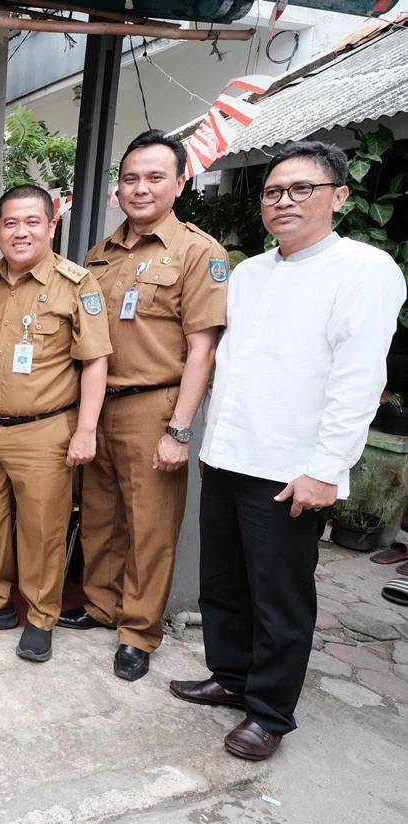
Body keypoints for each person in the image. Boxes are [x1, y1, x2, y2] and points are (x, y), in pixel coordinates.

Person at [171, 141, 405, 761]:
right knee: (223, 582)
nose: (284, 201)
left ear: (339, 198)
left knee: (280, 597)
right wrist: (207, 442)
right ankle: (230, 676)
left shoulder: (365, 270)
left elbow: (358, 381)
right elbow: (234, 366)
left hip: (290, 471)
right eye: (274, 191)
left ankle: (270, 713)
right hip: (228, 456)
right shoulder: (250, 274)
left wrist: (326, 471)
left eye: (302, 189)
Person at [58, 130, 228, 682]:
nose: (140, 188)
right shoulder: (98, 255)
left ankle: (138, 631)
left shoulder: (199, 252)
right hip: (96, 406)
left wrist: (179, 430)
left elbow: (203, 349)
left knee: (150, 527)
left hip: (155, 405)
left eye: (155, 177)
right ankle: (102, 605)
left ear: (180, 182)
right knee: (101, 515)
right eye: (130, 178)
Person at [0, 185, 111, 663]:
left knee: (42, 528)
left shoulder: (76, 285)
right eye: (10, 223)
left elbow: (95, 363)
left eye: (31, 222)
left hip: (45, 430)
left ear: (51, 225)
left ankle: (41, 616)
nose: (20, 233)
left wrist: (86, 430)